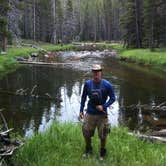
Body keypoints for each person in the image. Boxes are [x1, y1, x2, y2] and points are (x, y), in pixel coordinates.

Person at [79, 64, 115, 160]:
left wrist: (103, 106)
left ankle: (102, 152)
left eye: (98, 71)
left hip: (102, 115)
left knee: (103, 134)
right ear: (92, 72)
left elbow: (113, 98)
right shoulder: (87, 84)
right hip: (90, 113)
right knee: (86, 132)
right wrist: (81, 110)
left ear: (101, 72)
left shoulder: (108, 85)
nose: (96, 73)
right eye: (94, 71)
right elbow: (83, 97)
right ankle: (88, 150)